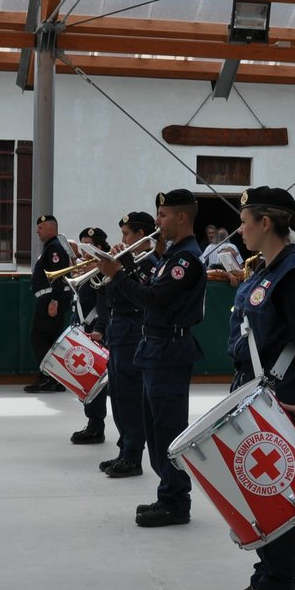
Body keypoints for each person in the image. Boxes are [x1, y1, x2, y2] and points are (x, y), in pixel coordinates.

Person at [214, 187, 295, 590]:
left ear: (264, 222)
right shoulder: (267, 269)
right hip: (257, 389)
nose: (239, 229)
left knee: (277, 487)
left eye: (244, 221)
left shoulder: (294, 271)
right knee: (260, 488)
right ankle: (266, 579)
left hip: (284, 391)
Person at [95, 189, 206, 528]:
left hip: (169, 351)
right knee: (155, 427)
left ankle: (176, 500)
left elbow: (152, 299)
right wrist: (126, 266)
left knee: (168, 428)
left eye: (163, 215)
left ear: (181, 217)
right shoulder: (173, 255)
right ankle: (166, 495)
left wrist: (118, 274)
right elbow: (149, 286)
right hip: (155, 348)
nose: (157, 222)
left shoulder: (186, 258)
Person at [97, 212, 156, 478]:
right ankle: (125, 449)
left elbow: (140, 295)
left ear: (140, 235)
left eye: (126, 234)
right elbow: (108, 293)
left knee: (130, 395)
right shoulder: (127, 263)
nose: (122, 240)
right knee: (118, 395)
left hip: (133, 330)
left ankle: (133, 455)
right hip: (118, 329)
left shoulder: (149, 262)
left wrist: (123, 268)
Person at [69, 226, 111, 446]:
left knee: (94, 380)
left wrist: (101, 328)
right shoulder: (86, 267)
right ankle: (93, 422)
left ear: (101, 247)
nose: (85, 249)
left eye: (90, 245)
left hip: (95, 329)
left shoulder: (102, 269)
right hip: (83, 327)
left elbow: (104, 303)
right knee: (85, 378)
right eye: (83, 244)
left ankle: (96, 426)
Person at [25, 214, 71, 393]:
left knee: (38, 336)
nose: (37, 230)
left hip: (50, 299)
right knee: (51, 339)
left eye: (41, 227)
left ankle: (48, 377)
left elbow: (59, 274)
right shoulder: (52, 247)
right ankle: (56, 379)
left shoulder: (54, 248)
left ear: (51, 229)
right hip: (52, 298)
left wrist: (54, 300)